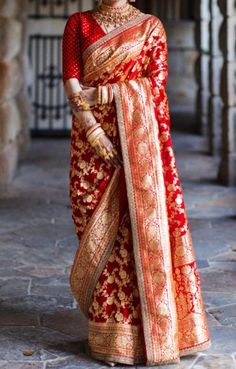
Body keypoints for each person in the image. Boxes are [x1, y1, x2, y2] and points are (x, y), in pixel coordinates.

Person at [62, 0, 211, 366]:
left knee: (137, 231)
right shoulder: (79, 24)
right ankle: (108, 333)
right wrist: (94, 132)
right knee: (96, 227)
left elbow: (156, 87)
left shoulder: (150, 27)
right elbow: (71, 79)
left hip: (140, 147)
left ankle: (150, 332)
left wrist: (106, 93)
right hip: (92, 145)